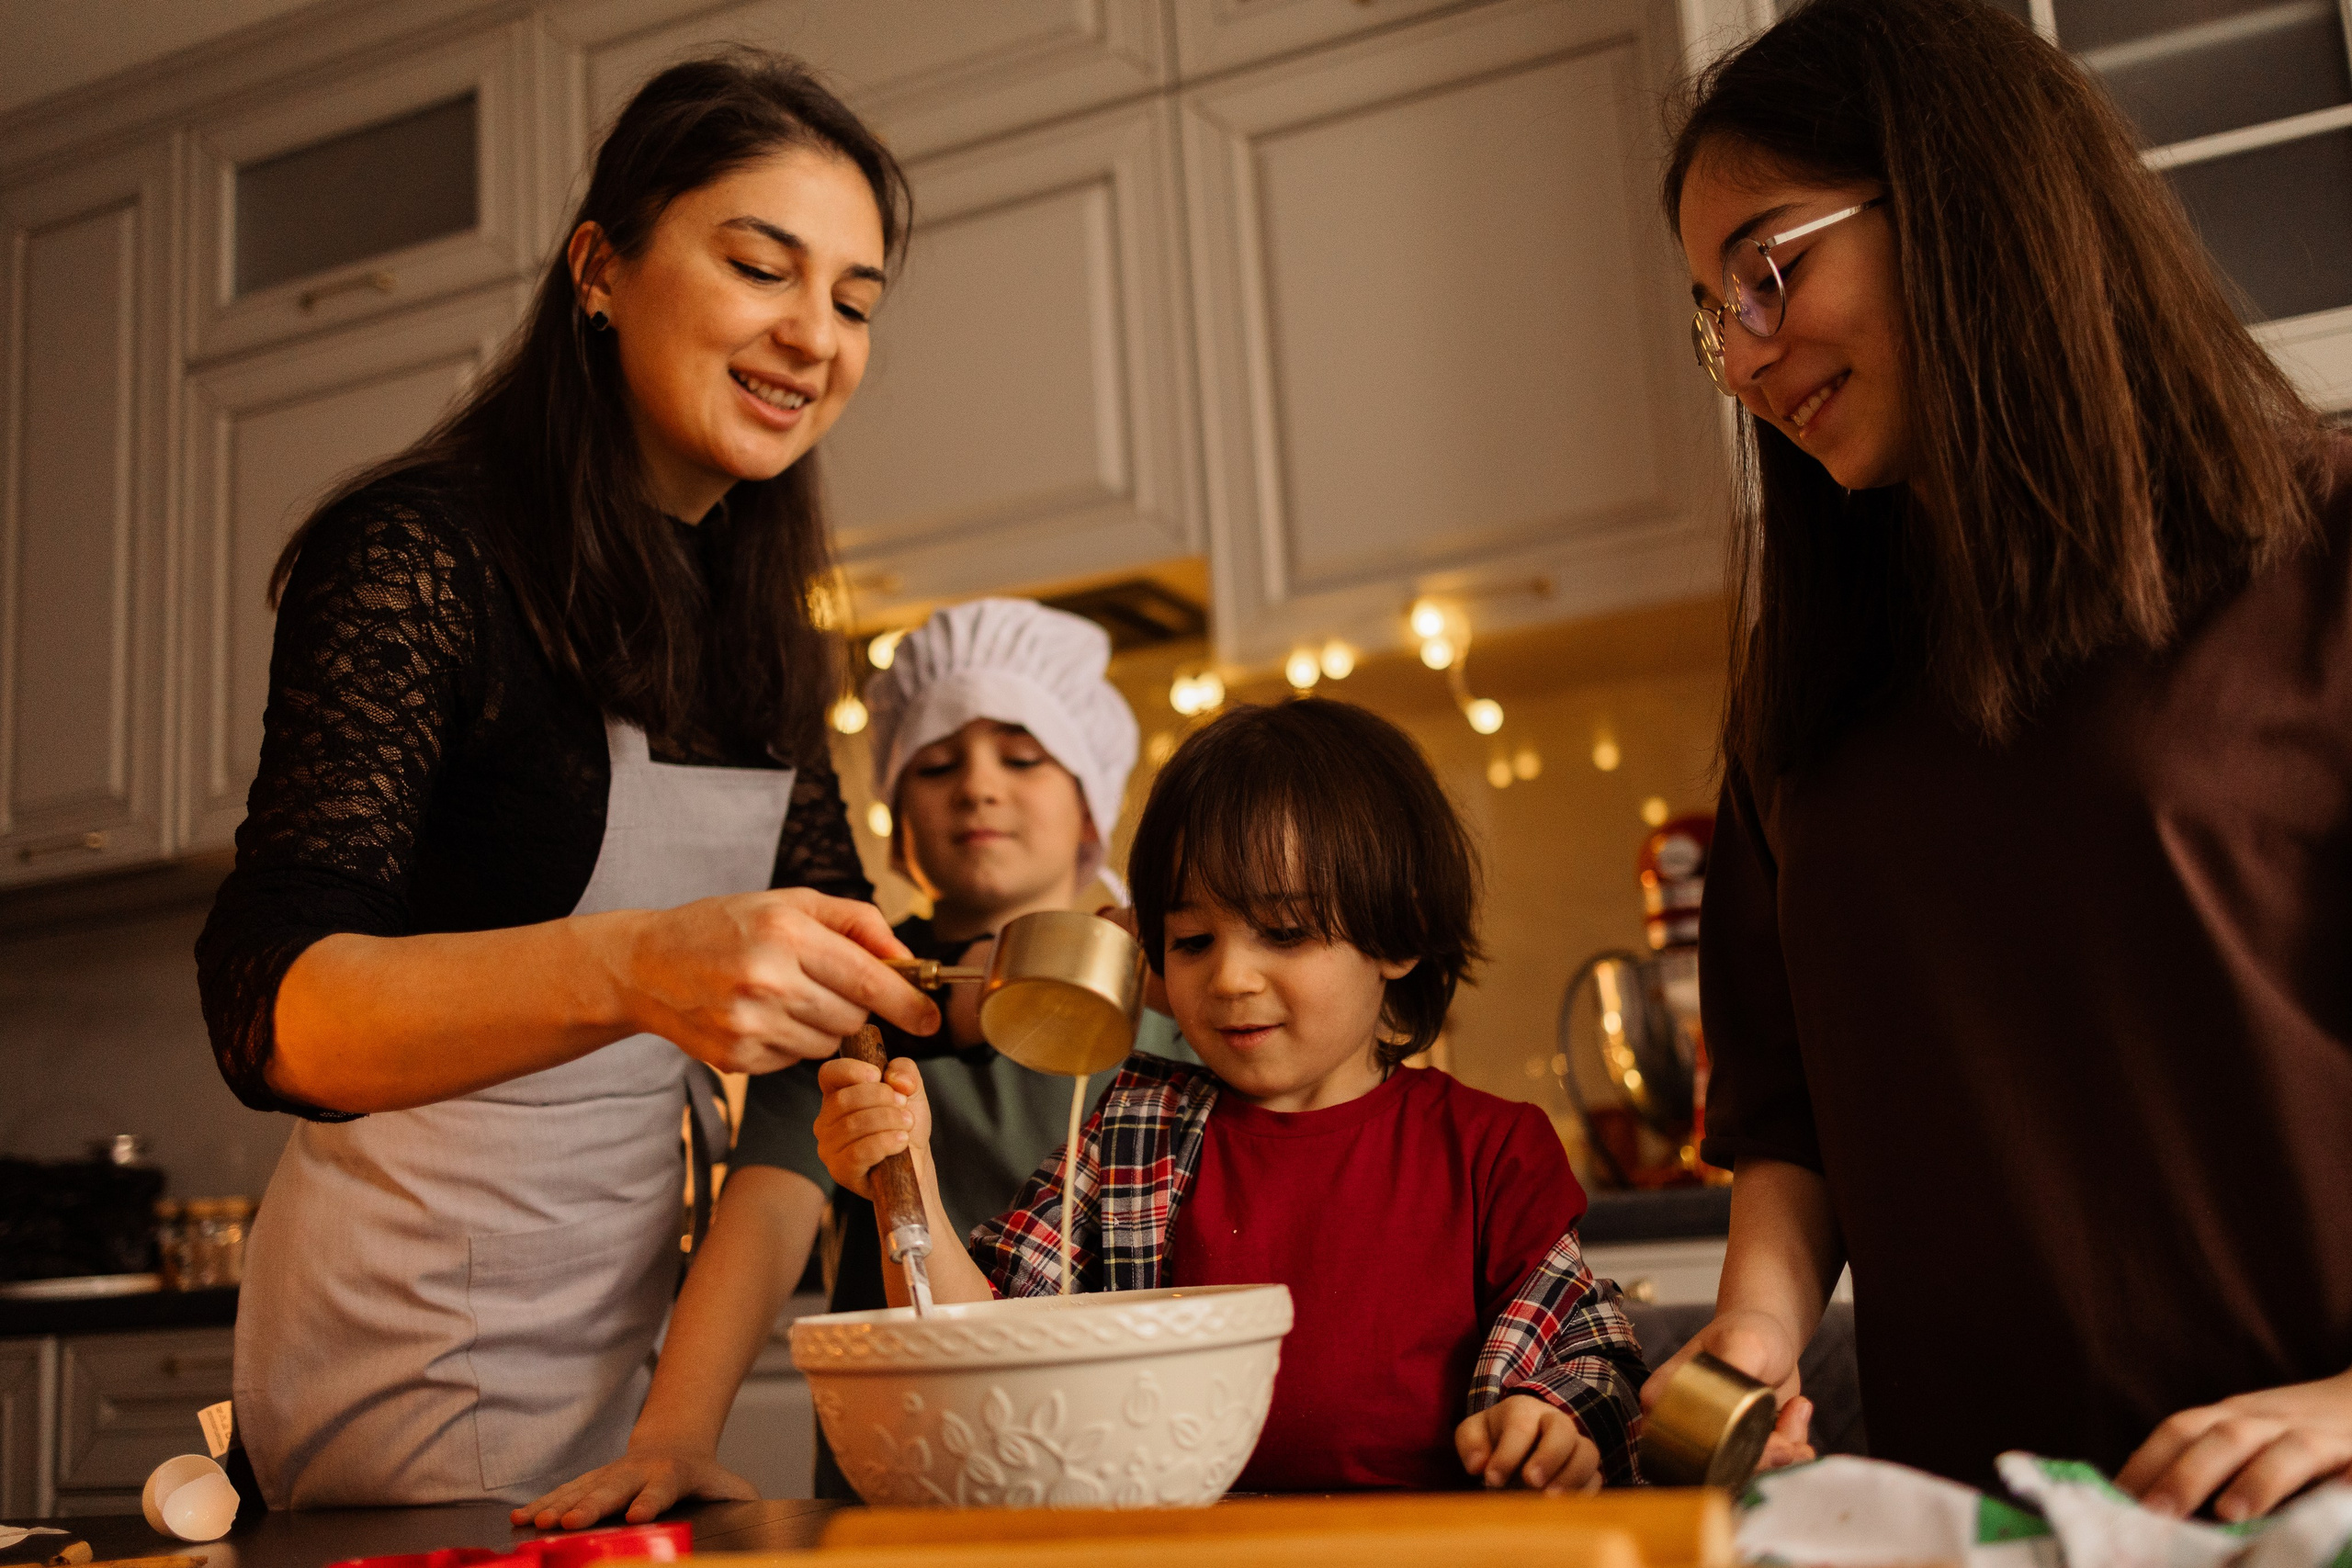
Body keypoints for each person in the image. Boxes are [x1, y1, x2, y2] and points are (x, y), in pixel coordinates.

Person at [193, 51, 938, 1508]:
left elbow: (832, 1014)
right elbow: (262, 1004)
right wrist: (638, 966)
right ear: (601, 268)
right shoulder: (422, 556)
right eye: (759, 266)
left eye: (854, 302)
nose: (813, 335)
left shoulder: (755, 619)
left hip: (634, 1347)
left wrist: (675, 1420)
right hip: (400, 1328)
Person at [1654, 0, 2352, 1515]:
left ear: (1969, 197)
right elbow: (1791, 1119)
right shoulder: (1810, 671)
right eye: (1719, 316)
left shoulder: (2330, 547)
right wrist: (1756, 1333)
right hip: (1984, 1514)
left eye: (1772, 270)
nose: (1748, 358)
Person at [816, 699, 1648, 1493]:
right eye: (1192, 939)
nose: (1229, 978)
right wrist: (908, 1174)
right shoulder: (1137, 1131)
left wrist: (1552, 1420)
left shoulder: (1491, 1149)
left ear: (1399, 931)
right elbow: (983, 1345)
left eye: (1284, 931)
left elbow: (1592, 1354)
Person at [514, 596, 1193, 1527]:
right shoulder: (843, 999)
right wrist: (673, 1435)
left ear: (1093, 802)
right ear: (892, 812)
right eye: (938, 762)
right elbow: (762, 1219)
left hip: (1136, 1467)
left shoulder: (1177, 995)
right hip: (898, 1484)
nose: (979, 787)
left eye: (1024, 757)